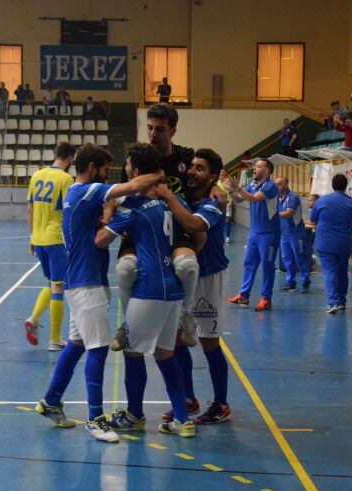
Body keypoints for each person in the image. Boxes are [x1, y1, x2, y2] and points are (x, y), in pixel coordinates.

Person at [34, 143, 165, 442]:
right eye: (104, 170)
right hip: (85, 283)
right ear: (91, 168)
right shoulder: (85, 190)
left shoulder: (77, 195)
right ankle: (96, 419)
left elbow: (107, 213)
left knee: (77, 344)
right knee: (97, 348)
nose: (107, 176)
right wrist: (158, 173)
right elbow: (132, 185)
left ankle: (51, 402)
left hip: (81, 280)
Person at [96, 143, 195, 438]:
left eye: (127, 165)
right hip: (173, 290)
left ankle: (135, 415)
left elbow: (101, 240)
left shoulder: (133, 209)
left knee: (133, 353)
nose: (125, 169)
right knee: (165, 355)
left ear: (136, 172)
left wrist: (105, 214)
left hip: (148, 287)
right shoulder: (171, 200)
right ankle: (182, 420)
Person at [113, 103, 218, 351]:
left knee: (188, 267)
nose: (152, 135)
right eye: (149, 128)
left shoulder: (185, 156)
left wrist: (216, 187)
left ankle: (186, 315)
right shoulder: (137, 159)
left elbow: (206, 175)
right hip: (141, 229)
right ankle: (127, 324)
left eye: (159, 129)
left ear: (172, 130)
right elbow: (121, 196)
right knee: (126, 269)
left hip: (176, 227)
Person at [154, 148, 232, 425]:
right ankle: (188, 398)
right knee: (177, 340)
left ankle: (221, 404)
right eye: (192, 166)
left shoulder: (214, 205)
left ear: (212, 176)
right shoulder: (187, 199)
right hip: (184, 274)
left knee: (210, 341)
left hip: (209, 276)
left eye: (200, 168)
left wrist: (167, 195)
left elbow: (192, 224)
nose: (192, 171)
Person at [24, 142, 77, 351]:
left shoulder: (36, 175)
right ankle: (55, 339)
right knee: (58, 286)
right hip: (56, 239)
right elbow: (69, 211)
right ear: (71, 158)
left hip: (38, 239)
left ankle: (34, 319)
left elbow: (29, 209)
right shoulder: (65, 179)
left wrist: (31, 237)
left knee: (51, 283)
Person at [225, 159, 280, 311]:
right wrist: (231, 190)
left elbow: (254, 199)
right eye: (255, 166)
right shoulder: (253, 185)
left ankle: (266, 299)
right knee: (249, 264)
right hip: (254, 233)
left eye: (258, 166)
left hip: (269, 234)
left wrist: (238, 187)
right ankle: (244, 296)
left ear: (267, 170)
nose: (254, 168)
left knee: (267, 266)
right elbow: (239, 199)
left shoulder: (271, 186)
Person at [309, 174, 352, 313]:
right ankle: (342, 300)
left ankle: (333, 302)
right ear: (346, 186)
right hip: (344, 244)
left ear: (332, 185)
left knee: (330, 272)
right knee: (342, 271)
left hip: (325, 243)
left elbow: (313, 220)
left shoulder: (321, 201)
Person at [276, 176, 311, 293]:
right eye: (276, 184)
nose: (277, 186)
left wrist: (272, 215)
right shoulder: (278, 198)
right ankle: (291, 283)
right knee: (287, 259)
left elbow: (288, 213)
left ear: (286, 184)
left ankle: (305, 282)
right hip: (284, 234)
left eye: (280, 184)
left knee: (300, 257)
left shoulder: (293, 197)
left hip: (296, 233)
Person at [218, 169, 234, 243]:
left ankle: (227, 236)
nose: (222, 173)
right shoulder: (217, 181)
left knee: (228, 220)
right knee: (220, 220)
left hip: (228, 202)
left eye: (223, 171)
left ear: (226, 172)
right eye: (221, 172)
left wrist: (231, 201)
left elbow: (232, 191)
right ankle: (220, 235)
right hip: (219, 203)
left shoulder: (229, 180)